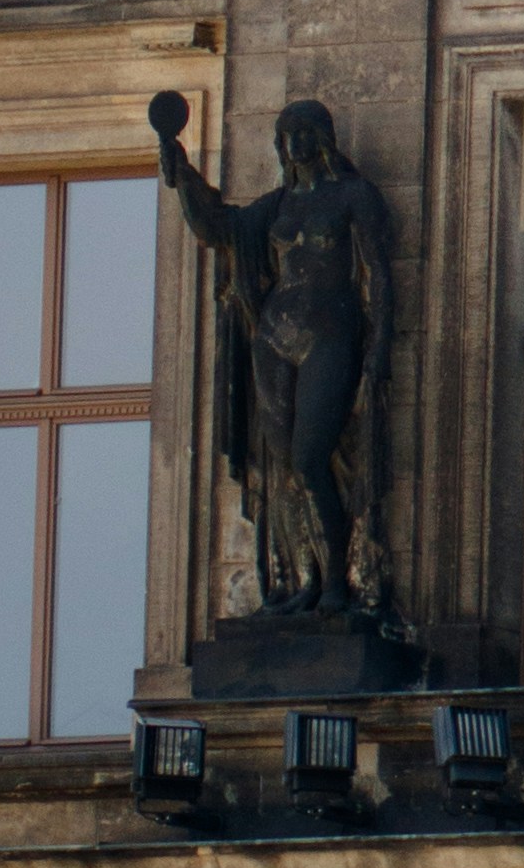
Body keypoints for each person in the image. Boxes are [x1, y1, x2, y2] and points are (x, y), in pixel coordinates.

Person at [150, 88, 395, 617]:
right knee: (283, 467)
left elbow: (378, 273)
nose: (297, 142)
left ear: (323, 139)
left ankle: (338, 582)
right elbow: (220, 229)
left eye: (306, 131)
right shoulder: (277, 205)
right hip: (274, 338)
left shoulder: (354, 196)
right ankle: (305, 580)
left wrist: (379, 346)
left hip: (331, 334)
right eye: (288, 134)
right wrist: (182, 174)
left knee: (309, 459)